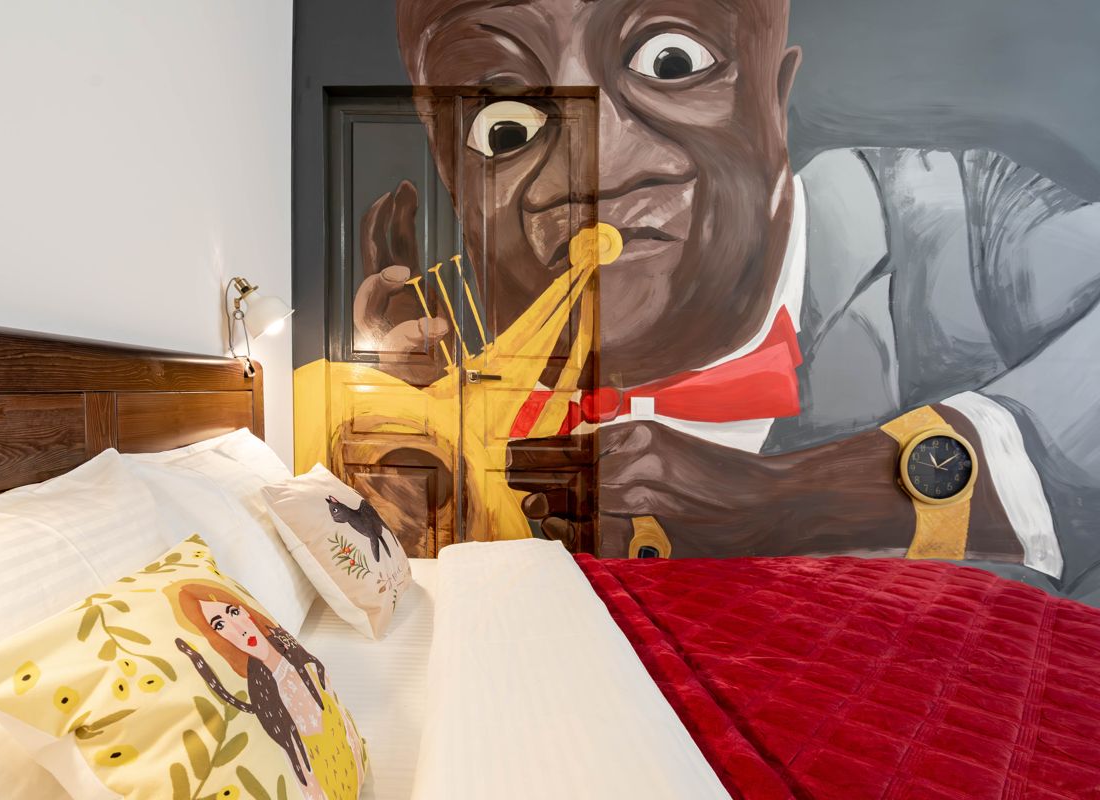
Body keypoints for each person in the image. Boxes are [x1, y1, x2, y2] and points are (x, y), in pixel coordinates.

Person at [355, 0, 1100, 601]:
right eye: (504, 128)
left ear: (776, 97)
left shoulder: (956, 227)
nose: (594, 162)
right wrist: (410, 446)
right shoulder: (474, 347)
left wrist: (799, 497)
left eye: (670, 62)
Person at [170, 582, 365, 800]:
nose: (238, 628)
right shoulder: (263, 693)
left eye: (233, 612)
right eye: (220, 625)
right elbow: (301, 771)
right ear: (217, 639)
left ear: (246, 611)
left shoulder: (295, 655)